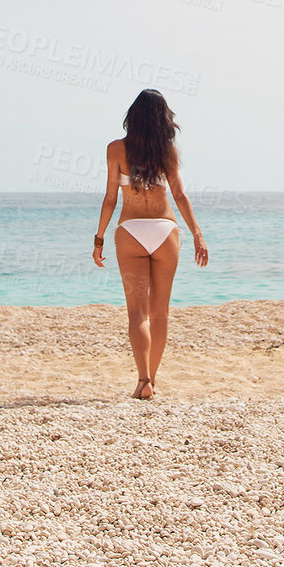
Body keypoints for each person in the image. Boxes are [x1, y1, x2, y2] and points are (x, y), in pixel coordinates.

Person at [92, 89, 209, 399]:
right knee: (160, 313)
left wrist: (99, 239)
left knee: (137, 314)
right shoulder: (167, 151)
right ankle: (151, 382)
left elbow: (109, 199)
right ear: (163, 118)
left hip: (130, 230)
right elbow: (180, 196)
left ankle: (142, 379)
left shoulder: (116, 149)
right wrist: (197, 233)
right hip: (165, 230)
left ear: (133, 116)